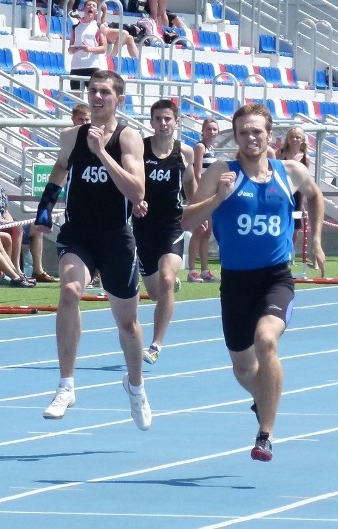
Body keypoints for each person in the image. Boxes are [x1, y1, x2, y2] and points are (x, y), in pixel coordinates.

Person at [181, 103, 326, 462]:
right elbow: (185, 221)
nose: (250, 137)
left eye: (257, 131)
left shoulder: (288, 171)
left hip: (275, 278)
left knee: (266, 340)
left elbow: (315, 195)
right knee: (244, 367)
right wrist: (218, 198)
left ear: (269, 134)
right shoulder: (221, 171)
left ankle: (265, 433)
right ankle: (264, 398)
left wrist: (316, 240)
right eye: (244, 131)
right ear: (236, 135)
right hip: (235, 282)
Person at [35, 70, 152, 431]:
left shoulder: (128, 138)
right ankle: (66, 385)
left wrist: (102, 153)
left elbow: (136, 192)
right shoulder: (72, 136)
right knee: (69, 292)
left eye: (105, 92)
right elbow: (58, 168)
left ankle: (135, 385)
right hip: (79, 235)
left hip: (116, 238)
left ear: (119, 99)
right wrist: (44, 209)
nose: (97, 97)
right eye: (93, 90)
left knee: (127, 324)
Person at [132, 99, 196, 365]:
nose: (163, 124)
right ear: (151, 122)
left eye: (168, 119)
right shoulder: (139, 149)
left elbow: (191, 186)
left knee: (167, 280)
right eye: (158, 119)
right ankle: (167, 288)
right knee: (157, 293)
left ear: (176, 122)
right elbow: (128, 181)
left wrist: (198, 210)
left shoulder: (186, 152)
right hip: (143, 228)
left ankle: (156, 345)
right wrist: (135, 200)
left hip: (172, 226)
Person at [188, 117, 220, 283]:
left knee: (207, 232)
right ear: (203, 130)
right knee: (199, 231)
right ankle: (192, 270)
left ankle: (205, 270)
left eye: (215, 129)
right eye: (209, 129)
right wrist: (200, 196)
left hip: (211, 195)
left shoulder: (212, 148)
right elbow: (197, 173)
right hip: (202, 196)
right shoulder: (200, 147)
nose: (212, 132)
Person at [276, 126, 310, 262]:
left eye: (297, 137)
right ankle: (280, 252)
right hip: (282, 191)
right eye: (292, 137)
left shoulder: (305, 158)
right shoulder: (281, 153)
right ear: (287, 139)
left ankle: (289, 252)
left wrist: (303, 205)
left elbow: (305, 181)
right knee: (281, 223)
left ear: (302, 140)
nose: (294, 140)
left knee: (296, 228)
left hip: (298, 194)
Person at [68, 1, 107, 96]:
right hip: (76, 66)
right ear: (84, 9)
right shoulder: (75, 27)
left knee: (93, 97)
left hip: (92, 66)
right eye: (89, 5)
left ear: (96, 12)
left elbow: (104, 48)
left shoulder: (98, 27)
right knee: (76, 97)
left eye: (94, 6)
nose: (91, 7)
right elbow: (70, 49)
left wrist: (90, 49)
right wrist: (72, 49)